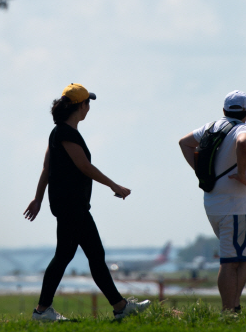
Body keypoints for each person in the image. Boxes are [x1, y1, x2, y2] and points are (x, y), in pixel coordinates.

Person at [24, 83, 150, 321]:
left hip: (69, 205)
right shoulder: (65, 133)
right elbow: (84, 166)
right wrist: (114, 185)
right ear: (79, 106)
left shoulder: (58, 132)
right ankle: (43, 311)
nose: (89, 107)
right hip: (72, 205)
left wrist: (38, 199)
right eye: (87, 103)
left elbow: (46, 169)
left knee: (82, 255)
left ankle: (119, 306)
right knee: (77, 256)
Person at [178, 90, 246, 313]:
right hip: (234, 207)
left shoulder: (211, 127)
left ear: (224, 110)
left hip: (214, 202)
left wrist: (202, 172)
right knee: (231, 261)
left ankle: (233, 305)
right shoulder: (244, 128)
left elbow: (184, 143)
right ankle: (229, 311)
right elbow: (244, 143)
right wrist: (242, 174)